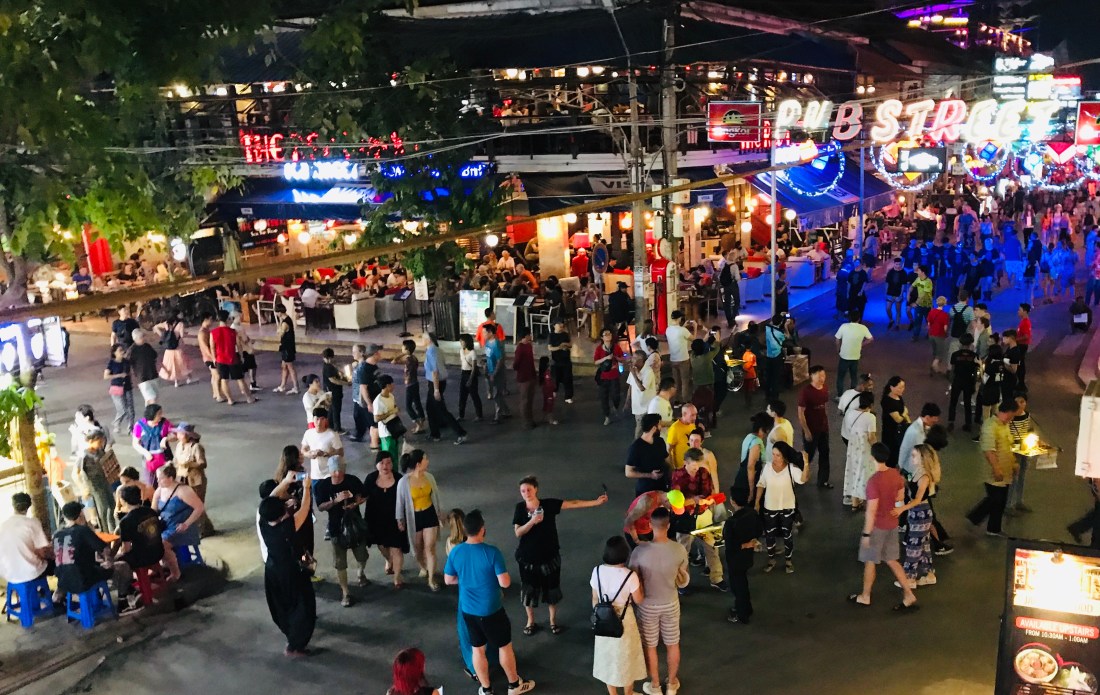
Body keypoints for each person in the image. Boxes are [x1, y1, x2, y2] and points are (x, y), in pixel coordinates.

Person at [443, 509, 537, 695]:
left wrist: (468, 580)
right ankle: (514, 685)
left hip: (468, 611)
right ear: (482, 529)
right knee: (504, 647)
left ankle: (486, 689)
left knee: (477, 650)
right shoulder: (491, 553)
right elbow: (505, 582)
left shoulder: (456, 552)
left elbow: (448, 579)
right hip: (491, 611)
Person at [512, 475, 607, 635]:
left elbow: (573, 503)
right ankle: (530, 621)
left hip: (550, 557)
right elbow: (518, 532)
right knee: (528, 591)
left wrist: (595, 502)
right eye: (523, 491)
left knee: (552, 590)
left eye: (529, 489)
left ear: (536, 489)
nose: (526, 493)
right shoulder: (520, 508)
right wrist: (532, 521)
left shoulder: (548, 504)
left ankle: (552, 621)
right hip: (528, 559)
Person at [846, 443, 918, 611]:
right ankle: (909, 594)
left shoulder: (873, 482)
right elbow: (900, 497)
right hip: (892, 524)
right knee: (892, 560)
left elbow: (871, 511)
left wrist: (866, 534)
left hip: (877, 527)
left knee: (870, 561)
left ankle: (865, 596)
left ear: (872, 457)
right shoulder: (895, 474)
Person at [628, 507, 689, 695]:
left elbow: (633, 580)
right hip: (670, 602)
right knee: (673, 644)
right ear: (668, 526)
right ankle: (671, 684)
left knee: (650, 646)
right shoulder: (679, 549)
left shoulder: (639, 552)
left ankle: (655, 685)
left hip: (647, 606)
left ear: (649, 525)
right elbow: (683, 579)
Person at [258, 471, 315, 657]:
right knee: (302, 606)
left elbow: (270, 499)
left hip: (273, 571)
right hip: (291, 572)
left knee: (282, 605)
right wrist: (307, 488)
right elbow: (304, 509)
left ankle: (291, 637)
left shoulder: (264, 522)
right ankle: (295, 645)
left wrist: (285, 481)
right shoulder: (287, 527)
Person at [53, 501, 136, 613]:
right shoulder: (82, 530)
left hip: (63, 583)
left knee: (96, 566)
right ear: (80, 515)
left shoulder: (57, 534)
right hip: (83, 580)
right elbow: (105, 550)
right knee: (123, 566)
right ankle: (123, 603)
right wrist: (109, 560)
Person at [590, 536, 647, 695]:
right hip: (625, 620)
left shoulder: (597, 571)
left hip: (603, 619)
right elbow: (639, 600)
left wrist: (601, 615)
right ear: (625, 554)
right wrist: (641, 583)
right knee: (627, 658)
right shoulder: (630, 575)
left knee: (608, 659)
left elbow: (594, 598)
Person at [314, 457, 370, 607]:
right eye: (334, 471)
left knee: (362, 555)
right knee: (340, 563)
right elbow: (321, 507)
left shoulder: (352, 481)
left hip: (355, 525)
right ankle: (345, 592)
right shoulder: (323, 486)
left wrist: (355, 503)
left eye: (340, 470)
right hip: (336, 528)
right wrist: (336, 501)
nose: (338, 474)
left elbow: (364, 495)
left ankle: (360, 572)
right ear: (329, 470)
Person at [670, 448, 724, 590]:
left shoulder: (703, 472)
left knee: (712, 546)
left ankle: (717, 577)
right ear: (685, 463)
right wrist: (693, 500)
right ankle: (683, 582)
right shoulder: (677, 476)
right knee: (683, 552)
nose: (696, 469)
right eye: (693, 466)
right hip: (685, 517)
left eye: (698, 465)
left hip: (703, 513)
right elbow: (675, 502)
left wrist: (709, 499)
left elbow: (709, 491)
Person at [966, 400, 1019, 536]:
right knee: (995, 498)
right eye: (1012, 416)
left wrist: (1013, 463)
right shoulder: (990, 426)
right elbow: (989, 451)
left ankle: (994, 529)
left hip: (1005, 470)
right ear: (1007, 412)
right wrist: (996, 468)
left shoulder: (1004, 425)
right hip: (993, 471)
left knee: (1001, 500)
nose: (1012, 419)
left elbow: (1008, 446)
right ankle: (974, 518)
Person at [755, 442, 810, 573]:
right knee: (770, 535)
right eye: (773, 454)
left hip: (787, 507)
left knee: (787, 535)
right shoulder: (767, 467)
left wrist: (806, 464)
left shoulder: (791, 468)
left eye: (778, 455)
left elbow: (803, 479)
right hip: (770, 507)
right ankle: (771, 559)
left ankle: (788, 561)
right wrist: (757, 502)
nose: (774, 458)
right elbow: (761, 484)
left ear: (784, 456)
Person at [896, 440, 944, 588]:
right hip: (917, 513)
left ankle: (909, 578)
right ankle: (929, 574)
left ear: (923, 458)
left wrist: (902, 509)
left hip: (920, 513)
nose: (912, 458)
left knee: (914, 546)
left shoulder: (924, 477)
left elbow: (918, 499)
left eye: (914, 456)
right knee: (923, 545)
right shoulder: (918, 472)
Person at [396, 450, 444, 591]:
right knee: (418, 548)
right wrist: (400, 519)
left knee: (430, 547)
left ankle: (431, 578)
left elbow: (436, 496)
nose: (427, 461)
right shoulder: (404, 482)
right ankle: (423, 566)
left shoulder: (429, 477)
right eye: (425, 459)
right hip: (414, 518)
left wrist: (439, 512)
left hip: (429, 514)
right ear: (418, 464)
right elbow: (400, 503)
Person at [364, 451, 409, 589]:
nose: (385, 466)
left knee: (397, 548)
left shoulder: (399, 479)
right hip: (376, 520)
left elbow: (405, 500)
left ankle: (397, 576)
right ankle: (389, 560)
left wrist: (403, 519)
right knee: (382, 546)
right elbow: (363, 496)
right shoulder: (371, 479)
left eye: (388, 463)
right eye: (382, 463)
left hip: (395, 520)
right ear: (376, 464)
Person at [723, 488, 763, 625]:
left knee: (738, 586)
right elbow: (759, 530)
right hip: (747, 557)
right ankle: (747, 608)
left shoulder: (731, 522)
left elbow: (730, 545)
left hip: (735, 559)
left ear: (732, 501)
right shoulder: (752, 514)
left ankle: (742, 614)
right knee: (743, 582)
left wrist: (744, 545)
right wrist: (751, 543)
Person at [0, 492, 52, 590]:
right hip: (29, 574)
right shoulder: (32, 522)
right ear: (29, 506)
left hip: (7, 574)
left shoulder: (3, 525)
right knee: (56, 564)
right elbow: (42, 552)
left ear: (13, 506)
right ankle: (54, 593)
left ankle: (34, 592)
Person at [114, 484, 166, 581]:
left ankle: (130, 584)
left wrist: (118, 554)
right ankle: (153, 573)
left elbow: (126, 549)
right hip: (159, 551)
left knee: (116, 561)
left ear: (123, 501)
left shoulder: (126, 521)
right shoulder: (151, 511)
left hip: (142, 558)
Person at [169, 422, 213, 537]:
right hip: (182, 479)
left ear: (188, 435)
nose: (178, 436)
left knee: (197, 505)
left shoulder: (196, 447)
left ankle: (201, 530)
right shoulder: (179, 446)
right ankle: (207, 528)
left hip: (195, 480)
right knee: (188, 505)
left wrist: (190, 464)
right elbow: (175, 461)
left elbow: (203, 463)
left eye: (181, 434)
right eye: (178, 433)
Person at [424, 333, 468, 444]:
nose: (422, 341)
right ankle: (435, 433)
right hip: (438, 382)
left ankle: (461, 433)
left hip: (436, 383)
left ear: (429, 340)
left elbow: (435, 372)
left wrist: (436, 390)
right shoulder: (437, 350)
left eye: (423, 338)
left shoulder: (431, 352)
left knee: (441, 410)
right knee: (430, 408)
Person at [154, 464, 204, 559]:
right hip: (165, 526)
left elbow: (199, 507)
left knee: (161, 545)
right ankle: (166, 563)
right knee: (150, 542)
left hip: (181, 528)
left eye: (161, 478)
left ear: (170, 478)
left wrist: (186, 524)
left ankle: (174, 566)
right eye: (157, 478)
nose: (158, 481)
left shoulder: (183, 491)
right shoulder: (159, 491)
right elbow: (153, 511)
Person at [78, 428, 121, 533]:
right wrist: (84, 488)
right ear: (91, 441)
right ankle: (104, 531)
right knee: (103, 509)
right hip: (95, 486)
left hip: (105, 482)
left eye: (102, 441)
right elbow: (77, 473)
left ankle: (113, 529)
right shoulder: (84, 456)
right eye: (99, 441)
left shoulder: (100, 451)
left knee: (112, 505)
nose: (101, 443)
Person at [842, 392, 877, 512]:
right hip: (864, 448)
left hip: (852, 446)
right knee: (866, 473)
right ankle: (867, 499)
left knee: (853, 471)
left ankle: (855, 503)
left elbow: (848, 429)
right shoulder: (870, 417)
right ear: (871, 404)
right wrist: (876, 447)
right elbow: (871, 437)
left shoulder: (850, 413)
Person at [210, 311, 255, 405]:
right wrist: (241, 356)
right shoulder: (233, 331)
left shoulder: (213, 332)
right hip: (232, 358)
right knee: (240, 379)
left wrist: (214, 358)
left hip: (220, 359)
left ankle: (230, 399)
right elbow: (238, 345)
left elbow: (212, 347)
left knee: (224, 380)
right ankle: (249, 398)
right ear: (227, 319)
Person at [798, 365, 832, 488]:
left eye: (823, 375)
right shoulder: (806, 392)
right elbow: (801, 413)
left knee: (825, 453)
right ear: (811, 376)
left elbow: (825, 406)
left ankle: (822, 481)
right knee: (808, 455)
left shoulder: (825, 388)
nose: (822, 378)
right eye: (819, 376)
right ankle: (798, 477)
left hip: (823, 429)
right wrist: (806, 431)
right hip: (811, 429)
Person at [625, 413, 671, 496]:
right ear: (654, 428)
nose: (661, 427)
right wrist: (650, 475)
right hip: (645, 490)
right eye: (659, 424)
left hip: (662, 487)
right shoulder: (636, 447)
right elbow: (628, 472)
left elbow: (667, 460)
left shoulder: (660, 441)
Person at [733, 412, 771, 506]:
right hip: (747, 484)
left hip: (741, 479)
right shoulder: (756, 444)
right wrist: (751, 491)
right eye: (767, 430)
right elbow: (750, 467)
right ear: (762, 429)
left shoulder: (749, 437)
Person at [594, 328, 629, 426]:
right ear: (602, 337)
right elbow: (596, 361)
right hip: (603, 376)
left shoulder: (616, 347)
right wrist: (606, 358)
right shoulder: (599, 349)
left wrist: (616, 358)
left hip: (614, 375)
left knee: (616, 395)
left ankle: (615, 406)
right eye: (606, 334)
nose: (608, 335)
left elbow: (622, 359)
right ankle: (607, 416)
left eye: (609, 334)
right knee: (604, 397)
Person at [898, 403, 941, 481]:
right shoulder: (915, 433)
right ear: (927, 417)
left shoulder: (922, 427)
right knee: (911, 485)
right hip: (911, 470)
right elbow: (904, 450)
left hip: (915, 469)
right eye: (934, 419)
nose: (936, 421)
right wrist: (901, 469)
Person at [834, 312, 872, 397]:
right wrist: (861, 344)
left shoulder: (844, 326)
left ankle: (839, 395)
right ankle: (852, 394)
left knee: (841, 377)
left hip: (844, 356)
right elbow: (870, 339)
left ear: (849, 318)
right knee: (853, 376)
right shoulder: (863, 328)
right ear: (859, 319)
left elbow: (837, 339)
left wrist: (838, 350)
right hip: (855, 356)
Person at [132, 403, 171, 486]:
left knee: (166, 482)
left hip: (164, 458)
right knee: (150, 483)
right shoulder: (139, 425)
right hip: (149, 459)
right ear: (152, 415)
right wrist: (146, 453)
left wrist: (166, 438)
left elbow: (174, 435)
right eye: (159, 414)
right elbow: (135, 443)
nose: (161, 416)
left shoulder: (165, 423)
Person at [350, 343, 382, 444]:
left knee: (369, 420)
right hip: (365, 399)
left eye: (354, 352)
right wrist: (369, 403)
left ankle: (373, 437)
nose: (381, 355)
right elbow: (363, 388)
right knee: (368, 420)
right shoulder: (363, 368)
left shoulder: (371, 366)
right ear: (375, 354)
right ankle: (374, 440)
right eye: (379, 353)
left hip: (370, 398)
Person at [393, 339, 427, 433]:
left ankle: (418, 424)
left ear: (407, 349)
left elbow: (395, 362)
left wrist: (402, 355)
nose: (401, 348)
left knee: (408, 406)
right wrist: (403, 354)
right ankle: (421, 419)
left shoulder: (408, 360)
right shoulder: (413, 358)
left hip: (410, 385)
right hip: (415, 383)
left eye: (403, 347)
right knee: (417, 402)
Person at [948, 334, 979, 431]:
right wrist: (974, 383)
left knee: (953, 402)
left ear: (961, 342)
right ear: (971, 343)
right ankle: (968, 424)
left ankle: (951, 422)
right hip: (968, 381)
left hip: (957, 380)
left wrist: (951, 381)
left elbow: (952, 370)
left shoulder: (955, 355)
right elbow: (976, 371)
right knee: (967, 403)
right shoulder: (974, 356)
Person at [104, 345, 136, 437]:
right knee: (122, 409)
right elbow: (106, 376)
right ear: (114, 353)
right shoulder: (111, 363)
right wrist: (119, 375)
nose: (122, 352)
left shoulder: (126, 362)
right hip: (116, 387)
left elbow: (129, 373)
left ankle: (131, 427)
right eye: (120, 350)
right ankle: (116, 423)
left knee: (131, 408)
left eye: (122, 350)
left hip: (127, 387)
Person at [154, 312, 192, 387]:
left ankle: (176, 382)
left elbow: (156, 327)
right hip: (177, 347)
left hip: (169, 349)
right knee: (181, 363)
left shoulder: (166, 323)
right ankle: (189, 378)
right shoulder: (180, 324)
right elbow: (182, 335)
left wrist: (162, 335)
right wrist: (185, 333)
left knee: (172, 365)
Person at [880, 377, 909, 468]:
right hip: (891, 433)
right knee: (891, 455)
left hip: (900, 431)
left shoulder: (899, 397)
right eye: (900, 387)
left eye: (903, 387)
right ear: (891, 387)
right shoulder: (887, 401)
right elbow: (898, 419)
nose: (902, 389)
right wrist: (905, 413)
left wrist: (909, 424)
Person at [484, 326, 512, 424]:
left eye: (485, 332)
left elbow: (500, 360)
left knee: (496, 394)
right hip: (490, 371)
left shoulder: (496, 344)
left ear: (491, 333)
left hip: (497, 372)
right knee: (497, 394)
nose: (483, 334)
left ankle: (498, 416)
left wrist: (494, 373)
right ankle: (506, 412)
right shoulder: (487, 343)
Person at [838, 373, 875, 445]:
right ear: (862, 385)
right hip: (858, 436)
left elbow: (839, 412)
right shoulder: (866, 398)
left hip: (845, 434)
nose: (871, 387)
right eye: (869, 385)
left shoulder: (846, 393)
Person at [665, 312, 693, 402]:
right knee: (685, 382)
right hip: (683, 358)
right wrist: (695, 327)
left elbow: (678, 333)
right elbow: (693, 338)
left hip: (673, 359)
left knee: (676, 382)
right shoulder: (683, 330)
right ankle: (684, 401)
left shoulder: (668, 329)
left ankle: (676, 401)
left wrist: (683, 326)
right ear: (680, 318)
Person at [272, 304, 300, 395]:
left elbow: (280, 333)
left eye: (276, 312)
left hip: (287, 348)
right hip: (286, 347)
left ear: (280, 312)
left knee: (290, 367)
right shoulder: (286, 319)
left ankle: (296, 387)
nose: (276, 314)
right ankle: (282, 385)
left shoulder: (285, 323)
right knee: (284, 366)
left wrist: (279, 328)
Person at [320, 348, 349, 434]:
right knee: (336, 409)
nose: (329, 360)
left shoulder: (329, 366)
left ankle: (330, 425)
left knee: (332, 409)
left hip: (330, 391)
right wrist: (346, 383)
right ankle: (337, 428)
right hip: (333, 391)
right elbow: (333, 380)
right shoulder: (328, 367)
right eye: (327, 358)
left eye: (330, 358)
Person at [513, 328, 537, 429]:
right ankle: (526, 422)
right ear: (526, 336)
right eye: (529, 334)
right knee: (525, 400)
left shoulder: (528, 346)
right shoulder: (521, 347)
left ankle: (530, 419)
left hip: (530, 375)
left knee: (529, 400)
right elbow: (516, 363)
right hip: (524, 377)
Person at [458, 333, 486, 422]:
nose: (461, 343)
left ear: (467, 341)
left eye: (462, 341)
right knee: (462, 396)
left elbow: (474, 367)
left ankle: (479, 415)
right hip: (463, 373)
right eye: (460, 341)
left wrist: (470, 379)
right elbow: (462, 362)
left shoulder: (472, 352)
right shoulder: (461, 350)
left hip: (470, 374)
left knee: (474, 395)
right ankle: (461, 415)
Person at [546, 320, 574, 404]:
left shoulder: (565, 334)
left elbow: (570, 344)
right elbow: (550, 348)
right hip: (556, 360)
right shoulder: (551, 335)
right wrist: (559, 347)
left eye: (562, 324)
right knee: (555, 378)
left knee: (568, 378)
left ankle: (568, 396)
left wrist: (565, 344)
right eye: (559, 324)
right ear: (554, 325)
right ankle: (553, 392)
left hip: (566, 360)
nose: (561, 326)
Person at [195, 312, 221, 401]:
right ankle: (218, 395)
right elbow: (205, 347)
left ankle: (215, 393)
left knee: (214, 376)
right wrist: (213, 357)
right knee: (217, 376)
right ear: (206, 319)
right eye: (211, 319)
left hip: (209, 357)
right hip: (209, 358)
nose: (212, 321)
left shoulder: (206, 330)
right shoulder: (202, 333)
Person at [665, 404, 698, 471]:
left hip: (692, 464)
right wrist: (673, 469)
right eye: (692, 415)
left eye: (695, 415)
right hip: (681, 468)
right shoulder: (675, 428)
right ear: (684, 414)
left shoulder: (692, 423)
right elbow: (668, 450)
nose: (695, 418)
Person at [909, 265, 933, 340]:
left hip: (927, 305)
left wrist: (916, 303)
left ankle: (930, 334)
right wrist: (909, 293)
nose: (917, 272)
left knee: (928, 321)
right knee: (917, 321)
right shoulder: (918, 279)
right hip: (919, 305)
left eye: (918, 271)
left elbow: (923, 295)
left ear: (923, 272)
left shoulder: (928, 282)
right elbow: (912, 286)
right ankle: (915, 336)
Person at [926, 296, 950, 375]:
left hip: (931, 334)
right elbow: (945, 327)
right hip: (939, 335)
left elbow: (928, 324)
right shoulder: (945, 315)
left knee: (935, 351)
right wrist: (946, 333)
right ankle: (934, 365)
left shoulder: (931, 312)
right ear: (945, 304)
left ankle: (936, 368)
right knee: (940, 353)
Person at [883, 257, 907, 330]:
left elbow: (903, 285)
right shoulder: (890, 272)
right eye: (896, 264)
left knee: (898, 310)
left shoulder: (903, 273)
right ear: (894, 264)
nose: (898, 266)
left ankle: (897, 324)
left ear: (901, 264)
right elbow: (887, 282)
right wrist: (886, 292)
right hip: (890, 292)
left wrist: (901, 294)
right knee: (888, 308)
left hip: (898, 294)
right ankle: (891, 320)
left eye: (899, 264)